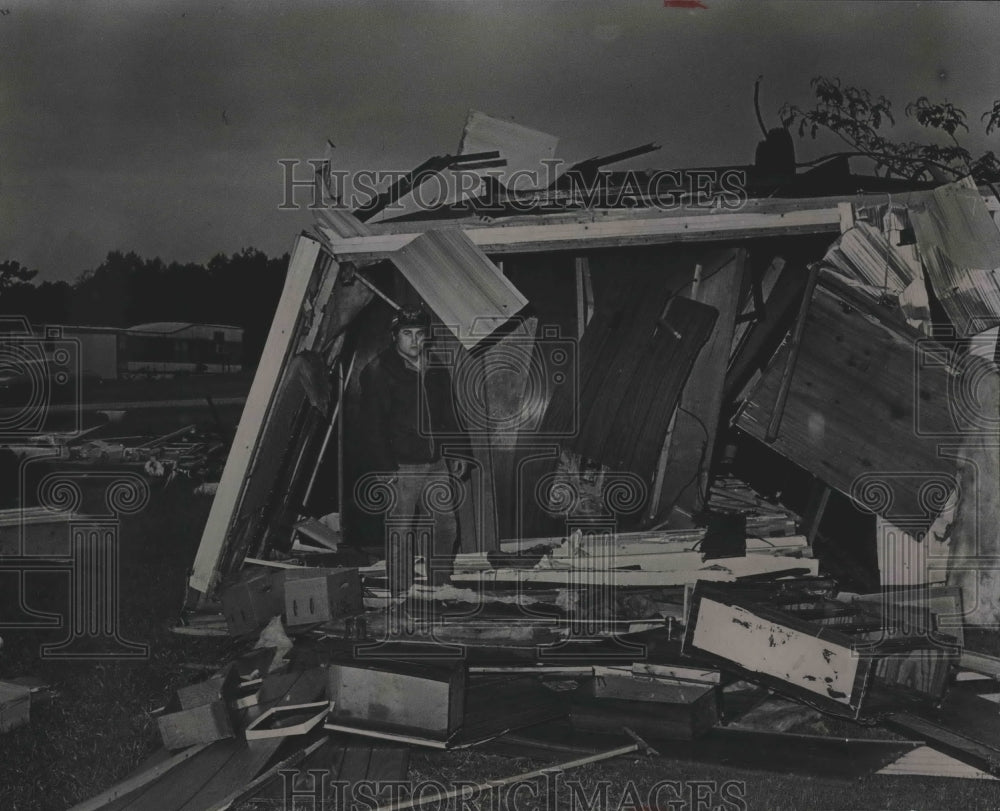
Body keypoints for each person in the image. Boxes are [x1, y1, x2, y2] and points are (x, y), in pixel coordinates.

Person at [359, 307, 469, 594]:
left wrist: (458, 452)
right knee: (400, 533)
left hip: (436, 464)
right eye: (407, 334)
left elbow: (449, 414)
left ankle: (440, 586)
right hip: (401, 467)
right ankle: (400, 594)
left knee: (446, 527)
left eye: (420, 334)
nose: (414, 340)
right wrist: (384, 468)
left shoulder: (436, 369)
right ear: (395, 336)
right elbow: (371, 425)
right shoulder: (378, 370)